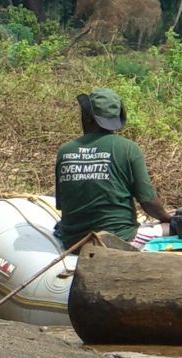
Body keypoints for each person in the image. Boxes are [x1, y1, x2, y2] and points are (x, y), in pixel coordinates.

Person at [54, 87, 173, 249]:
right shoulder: (128, 148)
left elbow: (63, 205)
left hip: (73, 243)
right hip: (119, 239)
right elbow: (148, 201)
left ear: (88, 117)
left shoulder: (65, 151)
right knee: (172, 228)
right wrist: (168, 218)